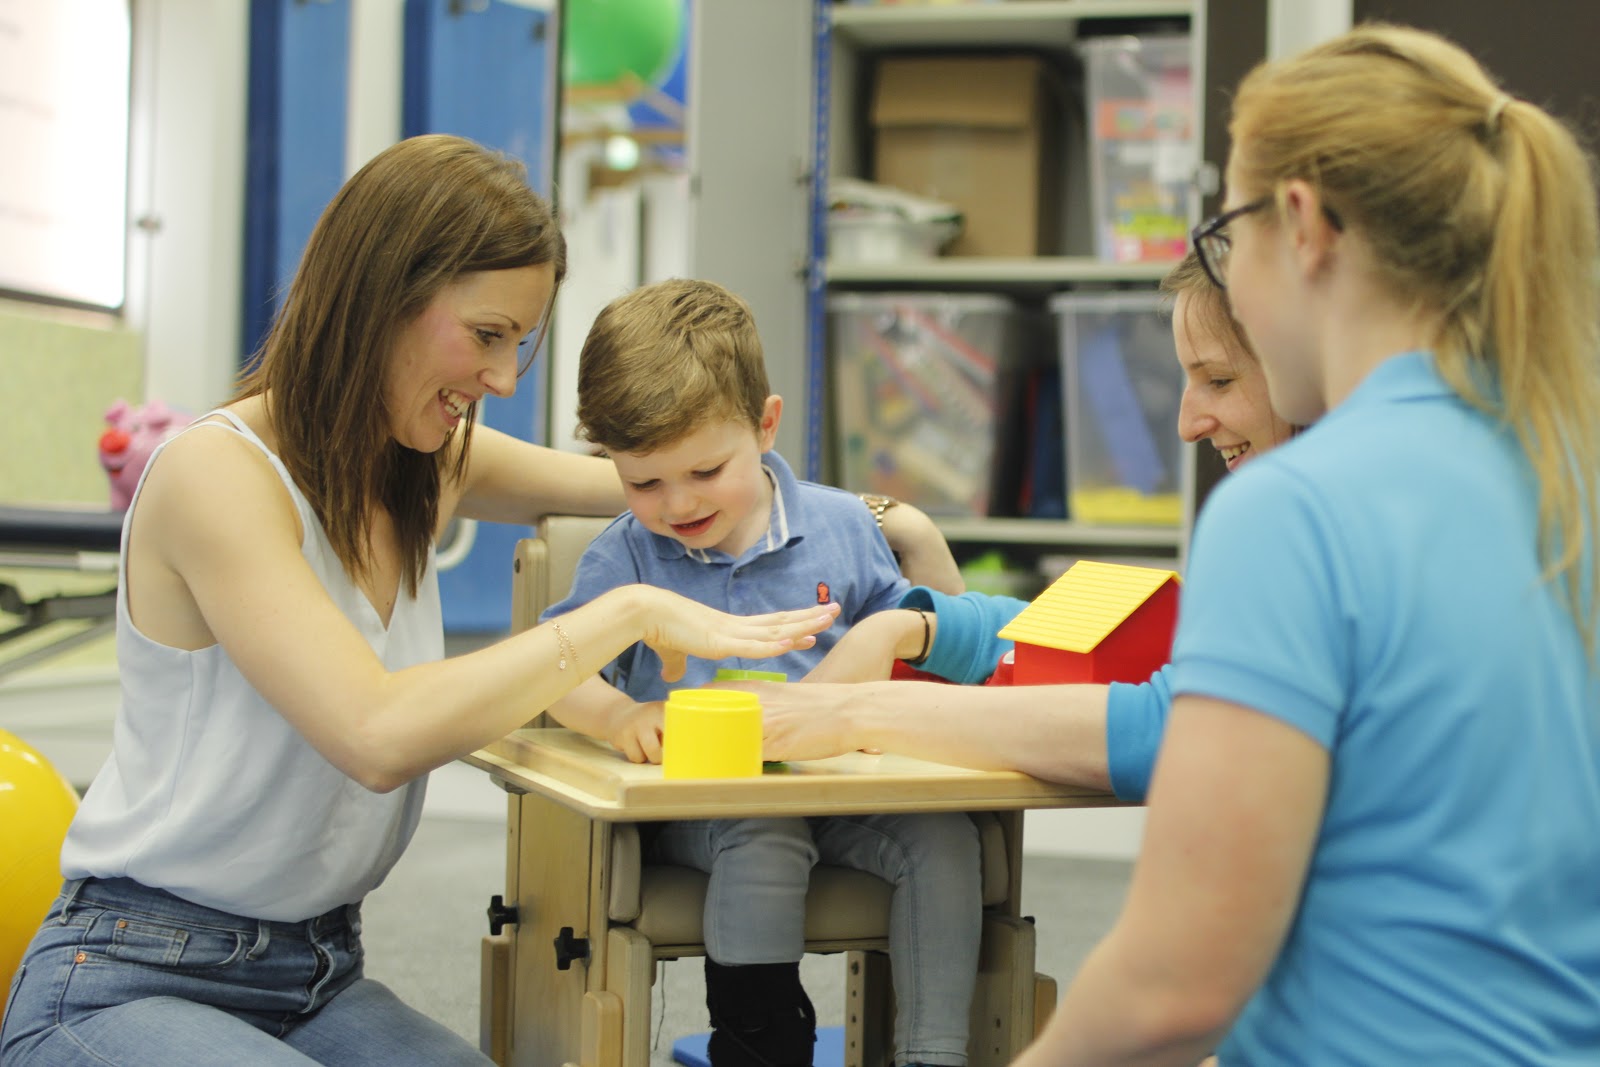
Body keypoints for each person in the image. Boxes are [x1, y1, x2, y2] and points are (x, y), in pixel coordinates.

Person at [0, 135, 844, 1067]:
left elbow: (658, 481)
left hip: (317, 974)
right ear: (380, 297)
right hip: (131, 973)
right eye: (487, 335)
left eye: (519, 344)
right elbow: (375, 733)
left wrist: (876, 523)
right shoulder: (216, 475)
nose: (505, 380)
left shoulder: (419, 464)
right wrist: (627, 611)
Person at [1019, 23, 1600, 1065]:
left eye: (1229, 240)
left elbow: (1171, 987)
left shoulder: (1294, 510)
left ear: (1301, 223)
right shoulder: (1566, 464)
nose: (1230, 280)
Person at [540, 278, 982, 1067]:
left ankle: (933, 1055)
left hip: (841, 789)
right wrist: (614, 716)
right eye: (642, 482)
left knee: (946, 837)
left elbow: (913, 641)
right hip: (705, 810)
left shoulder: (842, 527)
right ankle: (760, 1043)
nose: (675, 503)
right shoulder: (627, 551)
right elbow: (551, 669)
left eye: (705, 471)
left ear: (766, 425)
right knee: (764, 830)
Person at [756, 249, 1294, 801]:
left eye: (1221, 380)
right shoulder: (1285, 517)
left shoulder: (1299, 532)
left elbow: (1174, 730)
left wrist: (859, 713)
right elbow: (1086, 641)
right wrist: (910, 628)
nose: (1187, 425)